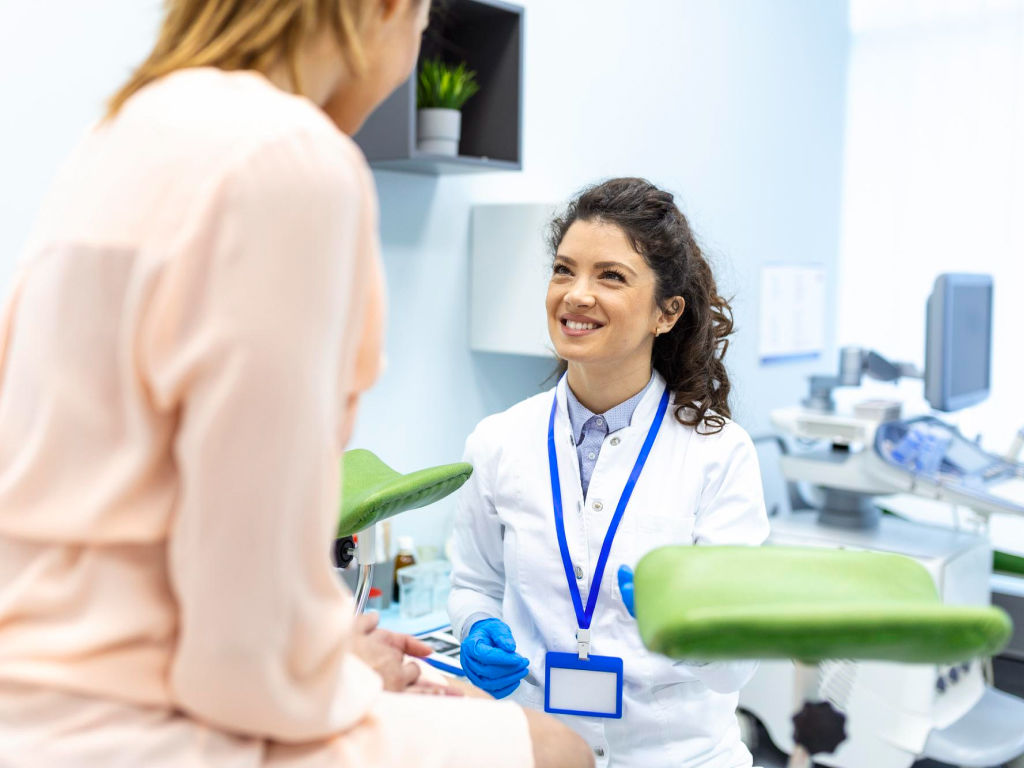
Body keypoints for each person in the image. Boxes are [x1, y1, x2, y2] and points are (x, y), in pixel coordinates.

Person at [0, 2, 593, 767]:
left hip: (34, 689)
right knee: (558, 750)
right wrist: (341, 671)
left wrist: (323, 645)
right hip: (144, 723)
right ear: (387, 9)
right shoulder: (288, 161)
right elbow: (243, 654)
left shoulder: (118, 135)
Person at [449, 177, 771, 767]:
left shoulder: (718, 454)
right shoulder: (498, 442)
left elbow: (736, 665)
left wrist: (682, 623)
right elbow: (475, 583)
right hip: (536, 750)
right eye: (564, 270)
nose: (576, 294)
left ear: (666, 313)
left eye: (611, 276)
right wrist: (474, 625)